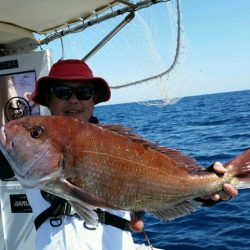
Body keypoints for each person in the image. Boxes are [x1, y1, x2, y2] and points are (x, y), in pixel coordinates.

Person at [28, 59, 238, 250]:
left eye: (83, 92)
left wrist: (205, 190)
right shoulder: (24, 145)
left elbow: (157, 187)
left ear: (94, 99)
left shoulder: (121, 146)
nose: (73, 100)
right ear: (48, 98)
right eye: (62, 92)